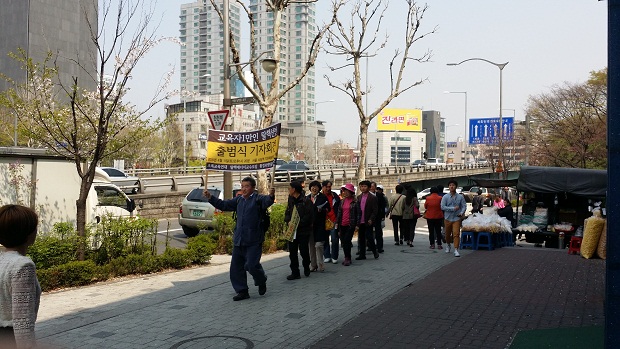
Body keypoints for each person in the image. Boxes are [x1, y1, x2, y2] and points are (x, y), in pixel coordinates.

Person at [205, 177, 275, 301]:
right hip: (239, 239)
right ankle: (242, 291)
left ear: (253, 188)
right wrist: (210, 197)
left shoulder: (258, 199)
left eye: (246, 186)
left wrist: (271, 195)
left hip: (254, 239)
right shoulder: (238, 200)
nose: (243, 189)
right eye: (242, 186)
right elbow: (224, 205)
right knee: (236, 268)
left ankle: (261, 280)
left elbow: (267, 201)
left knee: (252, 265)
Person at [0, 204, 41, 348]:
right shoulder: (22, 266)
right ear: (27, 233)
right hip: (11, 339)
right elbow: (22, 321)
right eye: (35, 227)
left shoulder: (2, 260)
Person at [284, 181, 315, 280]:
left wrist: (298, 223)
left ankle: (306, 266)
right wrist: (288, 221)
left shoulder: (306, 201)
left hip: (303, 230)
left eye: (290, 188)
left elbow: (309, 216)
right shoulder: (290, 200)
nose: (289, 190)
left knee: (304, 251)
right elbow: (288, 211)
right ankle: (295, 272)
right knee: (292, 252)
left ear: (294, 189)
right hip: (292, 231)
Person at [440, 179, 467, 257]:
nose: (452, 186)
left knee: (456, 234)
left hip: (456, 218)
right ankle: (448, 245)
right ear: (448, 187)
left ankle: (456, 249)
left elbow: (464, 205)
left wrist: (461, 213)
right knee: (447, 235)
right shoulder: (445, 197)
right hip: (447, 218)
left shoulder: (460, 197)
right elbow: (442, 207)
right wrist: (452, 208)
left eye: (453, 185)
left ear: (456, 187)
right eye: (450, 185)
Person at [307, 181, 329, 272]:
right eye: (312, 186)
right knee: (311, 246)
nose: (314, 188)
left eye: (316, 187)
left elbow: (328, 208)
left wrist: (322, 209)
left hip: (319, 224)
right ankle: (313, 265)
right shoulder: (307, 198)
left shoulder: (323, 197)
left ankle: (321, 263)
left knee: (319, 245)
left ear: (319, 188)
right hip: (309, 225)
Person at [355, 180, 379, 260]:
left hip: (368, 221)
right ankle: (362, 254)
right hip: (360, 221)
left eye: (365, 186)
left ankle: (375, 252)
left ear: (369, 188)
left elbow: (375, 210)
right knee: (361, 238)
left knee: (369, 237)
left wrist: (371, 219)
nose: (363, 188)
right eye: (361, 186)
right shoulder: (358, 197)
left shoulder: (373, 197)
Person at [336, 183, 358, 266]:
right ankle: (346, 256)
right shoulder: (342, 201)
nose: (346, 192)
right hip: (342, 224)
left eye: (347, 191)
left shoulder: (355, 202)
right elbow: (339, 213)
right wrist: (337, 223)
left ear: (351, 192)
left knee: (347, 241)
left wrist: (357, 225)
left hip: (350, 224)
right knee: (343, 242)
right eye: (345, 191)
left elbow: (358, 214)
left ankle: (348, 258)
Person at [322, 180, 341, 264]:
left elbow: (339, 208)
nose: (328, 188)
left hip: (333, 220)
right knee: (324, 239)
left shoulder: (335, 196)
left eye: (330, 186)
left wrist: (338, 219)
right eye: (327, 187)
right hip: (323, 221)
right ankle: (327, 256)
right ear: (323, 187)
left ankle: (334, 256)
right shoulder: (320, 197)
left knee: (334, 239)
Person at [373, 184, 388, 253]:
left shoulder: (381, 196)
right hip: (369, 217)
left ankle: (379, 247)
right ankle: (371, 246)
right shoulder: (364, 196)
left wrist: (383, 216)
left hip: (378, 217)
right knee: (370, 233)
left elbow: (383, 206)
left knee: (378, 233)